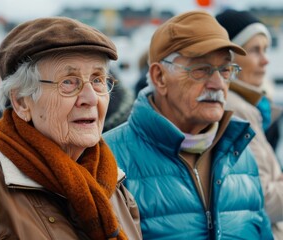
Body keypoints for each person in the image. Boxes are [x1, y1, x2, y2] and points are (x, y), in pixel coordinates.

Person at [0, 17, 142, 240]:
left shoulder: (115, 188)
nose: (91, 98)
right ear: (21, 102)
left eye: (98, 80)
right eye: (68, 81)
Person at [104, 10, 273, 239]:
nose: (217, 84)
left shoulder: (240, 152)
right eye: (201, 70)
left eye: (225, 70)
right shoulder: (107, 157)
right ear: (160, 77)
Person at [216, 9, 283, 239]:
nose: (266, 60)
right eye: (255, 50)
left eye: (265, 49)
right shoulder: (237, 110)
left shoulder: (250, 107)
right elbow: (262, 197)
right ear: (230, 59)